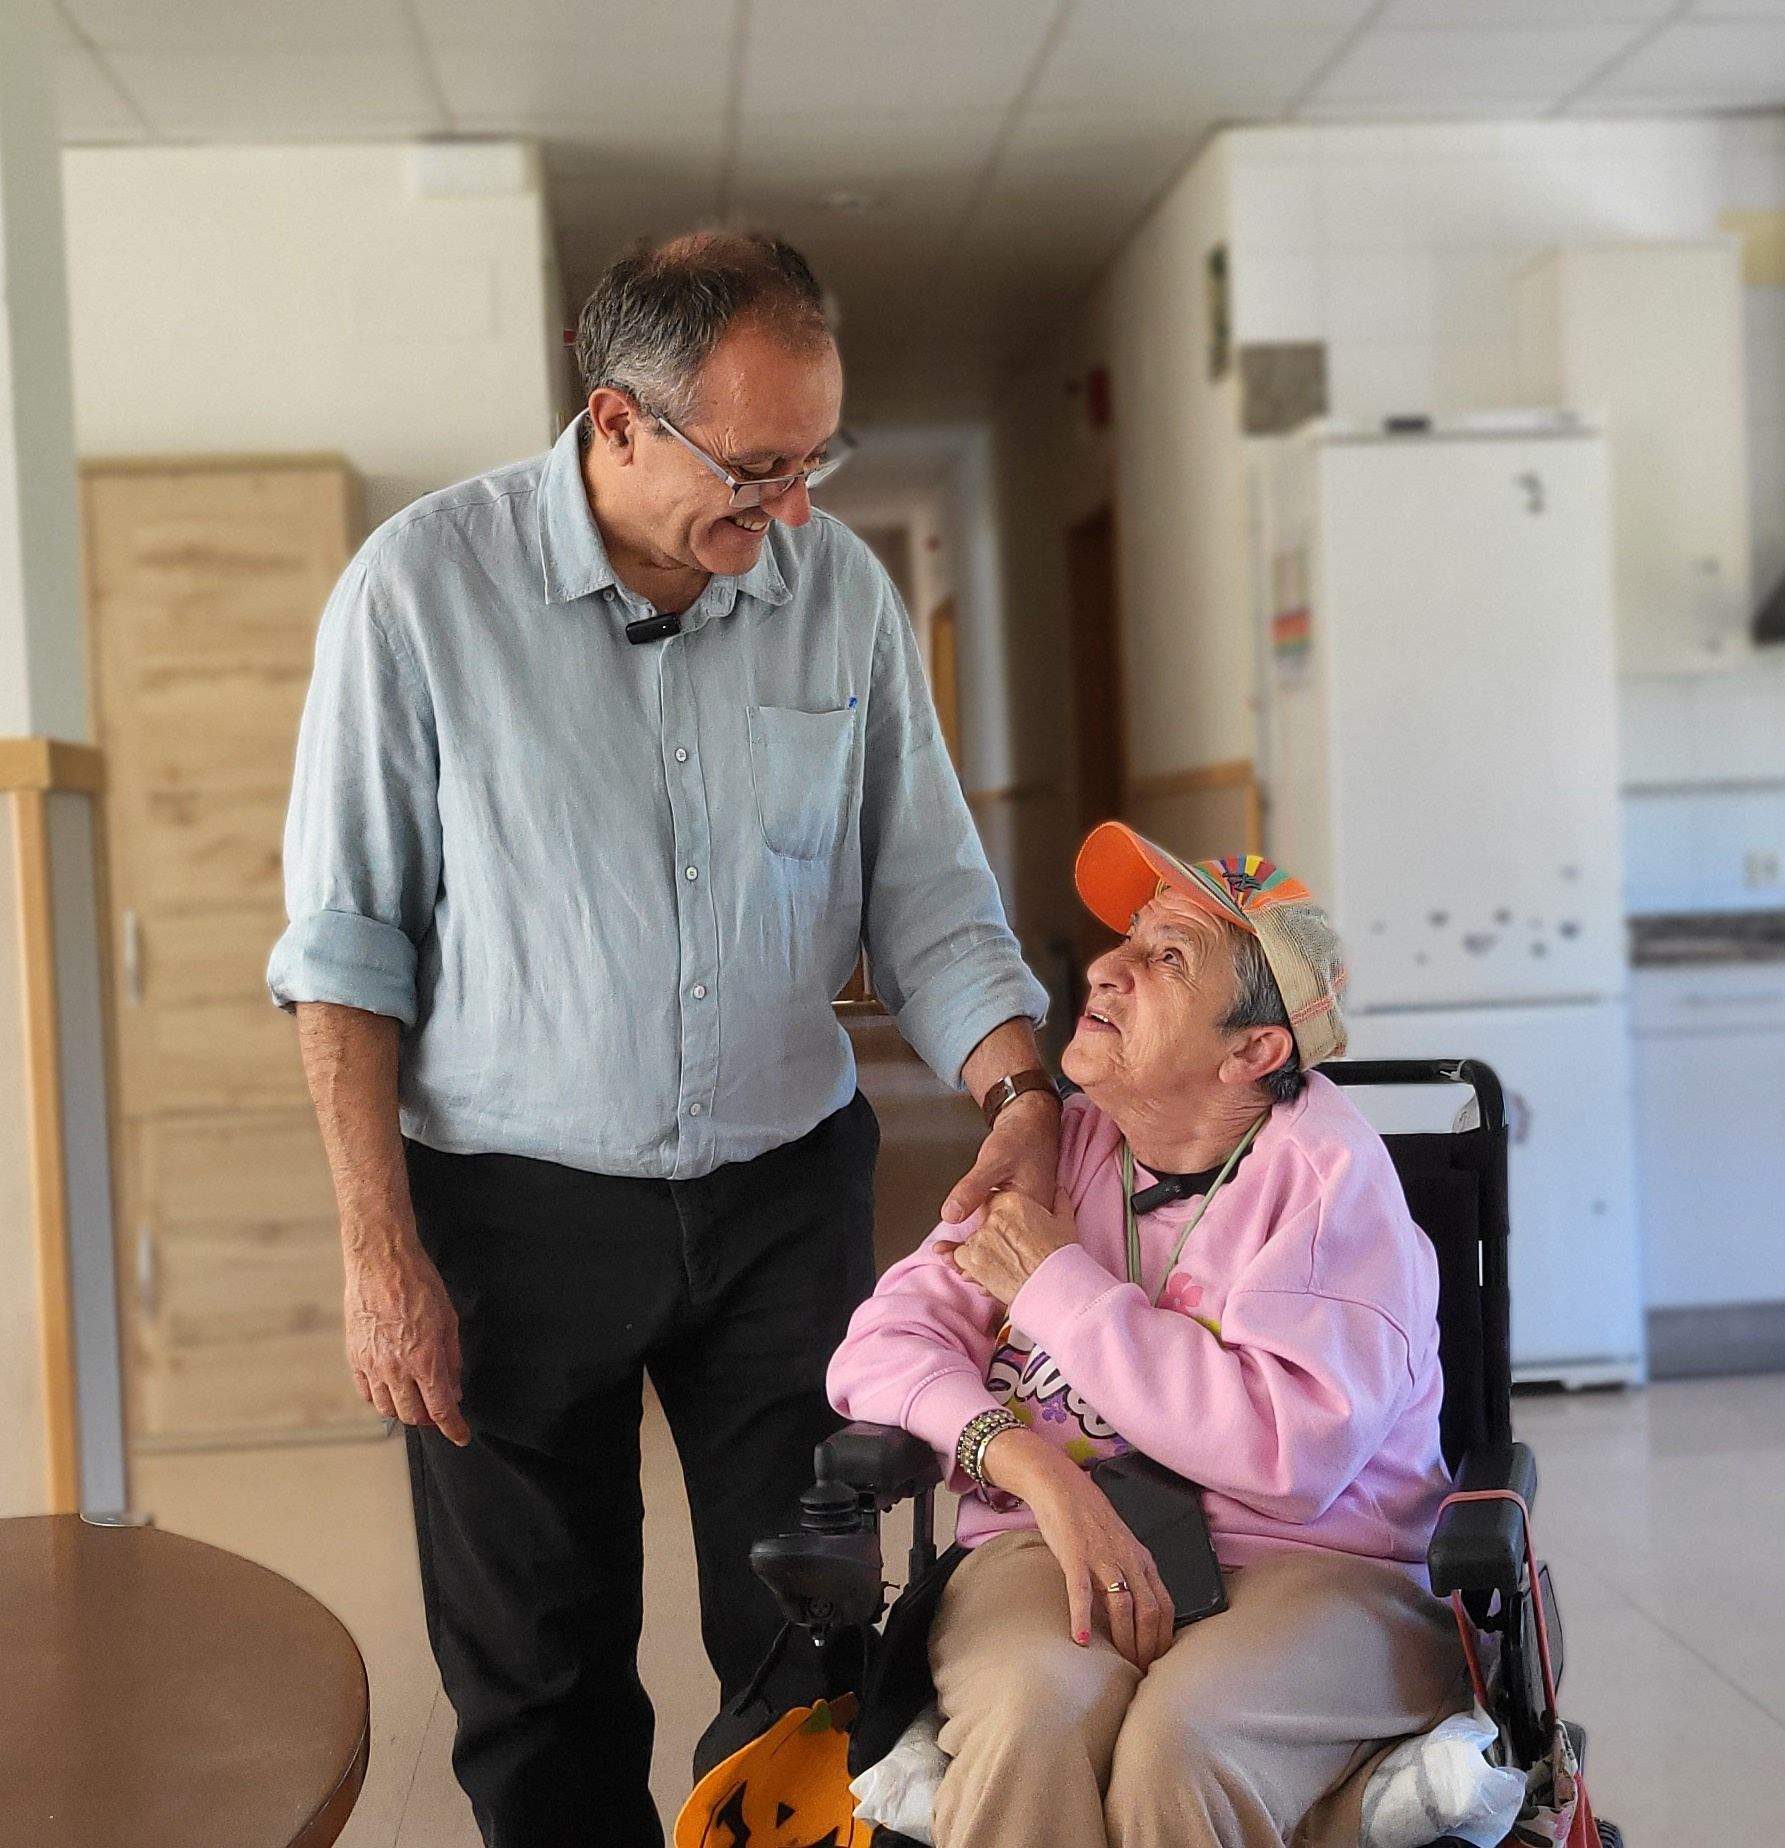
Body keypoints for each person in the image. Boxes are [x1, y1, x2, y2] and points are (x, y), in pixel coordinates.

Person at [264, 226, 1059, 1847]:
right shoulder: (419, 592)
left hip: (781, 1193)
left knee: (811, 1628)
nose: (795, 510)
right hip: (504, 1207)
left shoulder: (832, 588)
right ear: (618, 421)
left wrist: (1018, 1083)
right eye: (757, 466)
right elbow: (347, 948)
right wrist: (378, 1245)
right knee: (538, 1666)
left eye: (814, 458)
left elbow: (925, 884)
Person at [823, 823, 1470, 1848]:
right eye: (1128, 938)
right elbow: (878, 1351)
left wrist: (1054, 1284)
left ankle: (1357, 1802)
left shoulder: (1328, 1183)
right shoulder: (1061, 1149)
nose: (1106, 967)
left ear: (1253, 1051)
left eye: (1166, 957)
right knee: (1033, 1719)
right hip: (1050, 1540)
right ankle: (1355, 1814)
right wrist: (1035, 1469)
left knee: (1178, 1745)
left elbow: (1289, 1453)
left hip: (1313, 1565)